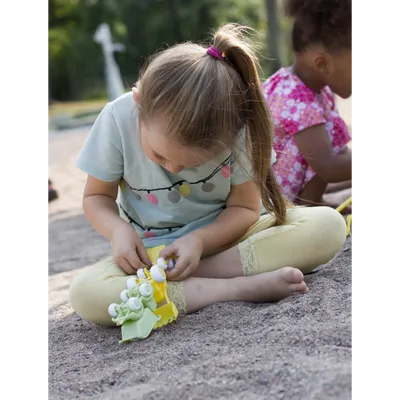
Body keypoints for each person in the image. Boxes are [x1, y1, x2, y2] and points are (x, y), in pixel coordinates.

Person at [69, 24, 346, 326]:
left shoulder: (239, 124)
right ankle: (234, 288)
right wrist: (118, 231)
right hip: (153, 252)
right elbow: (97, 197)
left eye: (191, 164)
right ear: (139, 104)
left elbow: (244, 208)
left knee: (328, 225)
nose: (172, 169)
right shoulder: (117, 118)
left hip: (230, 242)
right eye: (160, 156)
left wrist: (198, 242)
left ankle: (170, 283)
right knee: (86, 293)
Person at [262, 0, 352, 207]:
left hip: (282, 186)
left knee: (328, 134)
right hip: (269, 202)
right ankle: (308, 210)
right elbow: (330, 167)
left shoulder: (318, 91)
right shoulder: (296, 100)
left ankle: (316, 203)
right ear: (322, 63)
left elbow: (344, 157)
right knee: (324, 143)